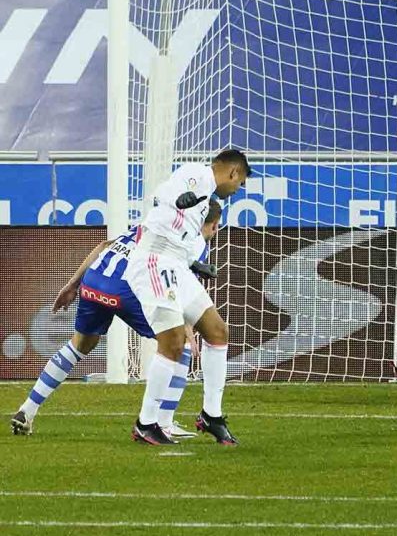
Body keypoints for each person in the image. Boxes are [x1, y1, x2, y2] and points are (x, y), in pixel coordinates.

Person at [10, 201, 222, 437]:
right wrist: (185, 325)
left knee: (80, 344)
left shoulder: (152, 225)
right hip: (126, 287)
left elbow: (104, 245)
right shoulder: (194, 241)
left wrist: (73, 285)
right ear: (214, 225)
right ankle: (163, 424)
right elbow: (172, 282)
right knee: (180, 342)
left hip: (94, 280)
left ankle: (27, 410)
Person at [125, 148, 250, 445]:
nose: (238, 188)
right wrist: (182, 199)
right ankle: (146, 423)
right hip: (155, 260)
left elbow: (176, 223)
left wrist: (195, 264)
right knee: (172, 342)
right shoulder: (198, 175)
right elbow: (166, 193)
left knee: (218, 332)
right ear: (233, 172)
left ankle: (211, 415)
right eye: (240, 181)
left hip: (176, 263)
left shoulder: (207, 198)